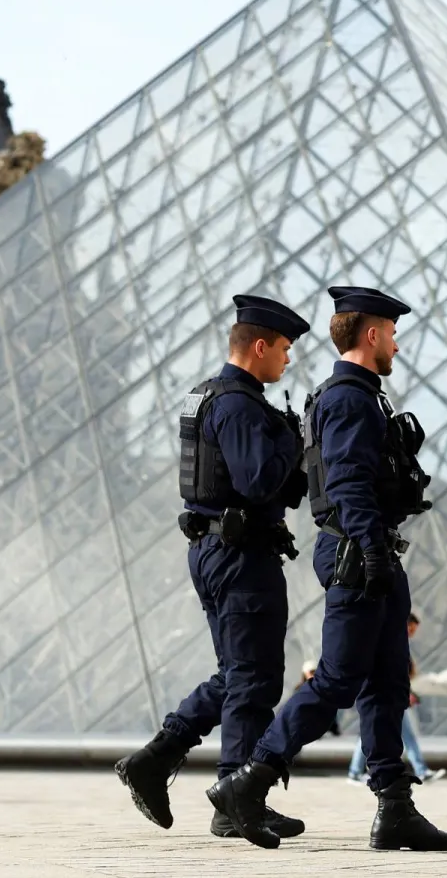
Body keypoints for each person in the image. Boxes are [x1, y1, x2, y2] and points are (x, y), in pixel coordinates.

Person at [208, 286, 447, 853]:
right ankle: (249, 781)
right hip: (357, 550)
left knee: (388, 683)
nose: (396, 343)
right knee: (339, 680)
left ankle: (394, 805)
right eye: (391, 332)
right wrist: (371, 550)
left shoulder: (359, 394)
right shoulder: (349, 398)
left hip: (371, 548)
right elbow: (346, 483)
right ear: (371, 335)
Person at [115, 294, 312, 840]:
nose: (288, 360)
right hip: (241, 553)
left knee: (236, 674)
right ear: (258, 347)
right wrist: (294, 443)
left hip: (213, 549)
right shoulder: (242, 406)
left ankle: (158, 758)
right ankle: (237, 795)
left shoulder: (207, 396)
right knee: (254, 678)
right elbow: (258, 482)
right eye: (284, 348)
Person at [349, 613, 445, 783]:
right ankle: (355, 772)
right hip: (382, 695)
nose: (412, 634)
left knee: (388, 733)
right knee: (371, 732)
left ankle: (420, 769)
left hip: (389, 695)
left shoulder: (394, 642)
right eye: (411, 629)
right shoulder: (389, 642)